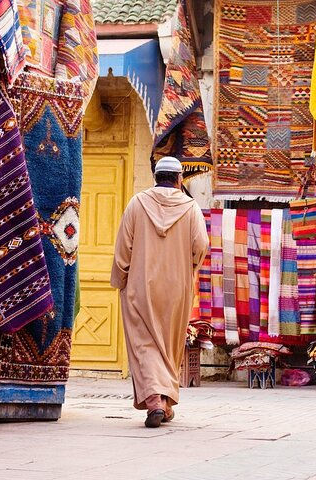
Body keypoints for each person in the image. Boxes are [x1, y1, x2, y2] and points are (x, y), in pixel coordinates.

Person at [110, 156, 209, 428]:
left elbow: (123, 250)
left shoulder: (136, 204)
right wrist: (189, 269)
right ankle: (164, 403)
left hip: (140, 286)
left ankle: (154, 400)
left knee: (144, 343)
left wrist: (120, 280)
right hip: (177, 288)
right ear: (178, 179)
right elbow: (200, 246)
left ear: (155, 177)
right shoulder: (191, 208)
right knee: (169, 345)